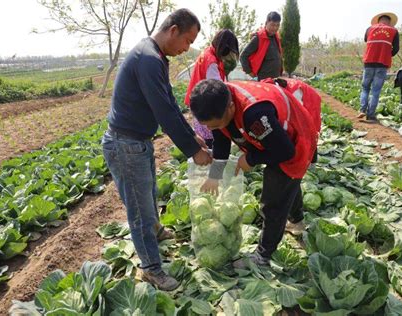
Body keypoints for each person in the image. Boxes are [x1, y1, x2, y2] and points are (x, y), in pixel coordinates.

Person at [102, 8, 212, 291]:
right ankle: (151, 268)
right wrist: (192, 151)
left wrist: (192, 136)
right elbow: (163, 112)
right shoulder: (149, 59)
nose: (187, 48)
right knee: (139, 209)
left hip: (137, 142)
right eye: (187, 41)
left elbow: (171, 104)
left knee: (148, 194)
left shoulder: (156, 58)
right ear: (173, 30)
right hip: (125, 144)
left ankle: (157, 231)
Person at [189, 79, 318, 268]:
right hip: (276, 138)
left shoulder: (254, 115)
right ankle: (297, 222)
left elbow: (285, 151)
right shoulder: (219, 104)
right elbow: (222, 141)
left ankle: (262, 256)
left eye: (214, 125)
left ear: (231, 107)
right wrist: (214, 175)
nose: (210, 129)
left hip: (296, 139)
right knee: (288, 185)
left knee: (273, 201)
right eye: (208, 126)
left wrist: (251, 159)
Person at [184, 29, 239, 148]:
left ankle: (211, 155)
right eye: (229, 50)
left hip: (199, 100)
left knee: (206, 134)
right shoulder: (212, 62)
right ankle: (211, 156)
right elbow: (218, 87)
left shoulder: (208, 53)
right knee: (212, 135)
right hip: (205, 103)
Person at [358, 12, 399, 121]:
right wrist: (387, 54)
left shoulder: (369, 29)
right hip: (382, 63)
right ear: (389, 22)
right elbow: (396, 49)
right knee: (375, 90)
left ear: (378, 20)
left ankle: (362, 110)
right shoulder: (394, 31)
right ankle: (370, 115)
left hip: (368, 63)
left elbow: (366, 40)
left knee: (365, 88)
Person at [240, 11, 283, 81]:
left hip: (275, 80)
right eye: (272, 25)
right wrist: (250, 72)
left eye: (277, 25)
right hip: (262, 82)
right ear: (266, 23)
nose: (275, 28)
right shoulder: (258, 38)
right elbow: (243, 56)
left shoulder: (276, 38)